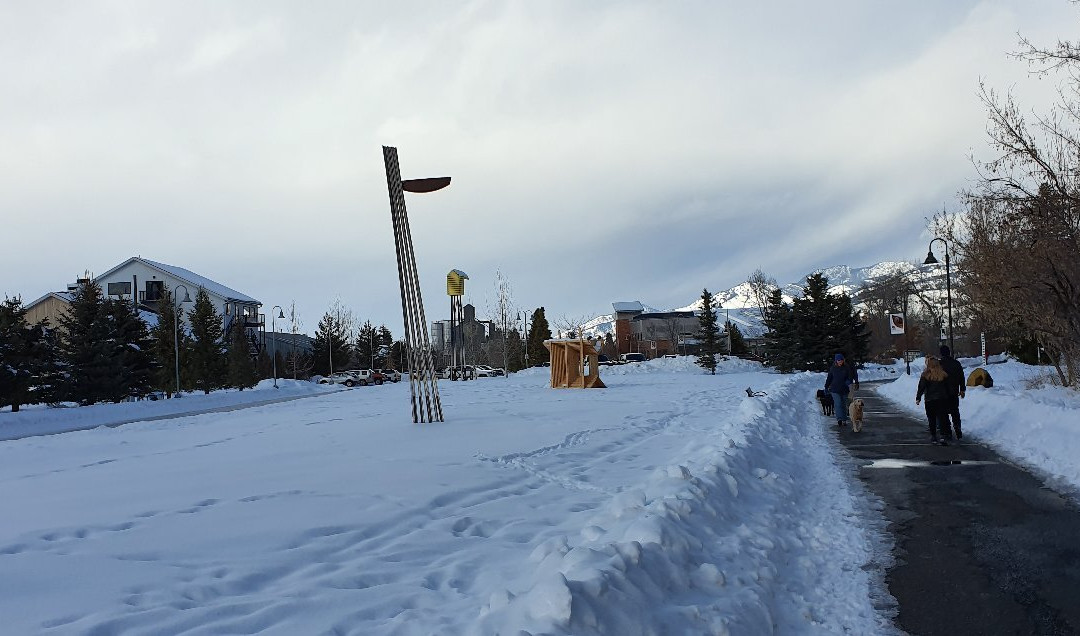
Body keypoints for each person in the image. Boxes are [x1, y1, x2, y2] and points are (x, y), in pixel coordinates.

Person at [916, 356, 951, 445]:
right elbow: (947, 387)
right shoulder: (943, 374)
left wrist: (918, 397)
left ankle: (934, 436)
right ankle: (943, 436)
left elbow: (921, 387)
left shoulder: (925, 375)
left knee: (931, 418)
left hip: (929, 399)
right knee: (942, 417)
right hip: (942, 399)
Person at [824, 353, 859, 427]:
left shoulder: (846, 368)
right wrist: (826, 387)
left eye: (841, 360)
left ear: (843, 360)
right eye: (838, 360)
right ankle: (839, 419)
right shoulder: (833, 368)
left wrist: (849, 381)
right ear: (836, 361)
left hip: (844, 389)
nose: (840, 362)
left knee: (843, 404)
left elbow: (850, 377)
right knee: (838, 404)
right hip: (835, 389)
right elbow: (829, 378)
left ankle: (844, 420)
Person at [939, 345, 966, 440]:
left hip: (942, 393)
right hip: (954, 391)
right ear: (949, 352)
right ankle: (957, 427)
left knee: (943, 413)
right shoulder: (956, 364)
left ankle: (948, 431)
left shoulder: (939, 365)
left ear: (941, 353)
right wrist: (962, 389)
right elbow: (962, 377)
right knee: (955, 411)